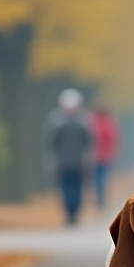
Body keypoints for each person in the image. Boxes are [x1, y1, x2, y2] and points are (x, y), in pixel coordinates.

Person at [44, 88, 93, 226]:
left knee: (77, 189)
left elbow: (88, 142)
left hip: (78, 163)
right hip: (63, 162)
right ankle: (69, 213)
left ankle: (74, 213)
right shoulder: (57, 121)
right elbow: (51, 144)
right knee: (65, 189)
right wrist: (52, 160)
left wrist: (88, 159)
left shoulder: (82, 121)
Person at [89, 101, 121, 211]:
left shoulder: (91, 123)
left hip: (96, 156)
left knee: (98, 178)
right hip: (104, 156)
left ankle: (100, 200)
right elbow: (114, 140)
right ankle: (101, 199)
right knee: (101, 178)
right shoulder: (109, 123)